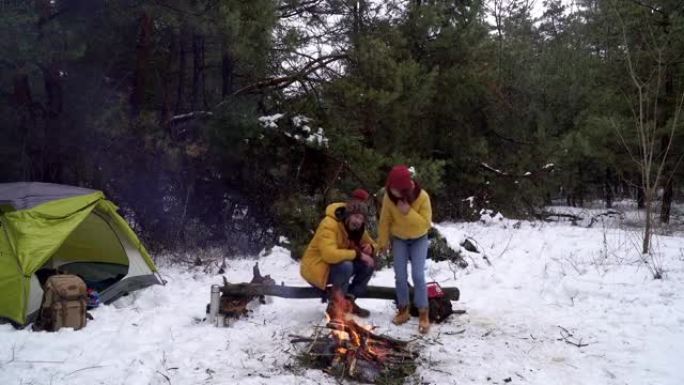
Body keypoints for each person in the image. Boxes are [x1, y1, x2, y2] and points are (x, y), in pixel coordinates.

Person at [378, 165, 433, 334]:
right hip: (400, 239)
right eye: (391, 188)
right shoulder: (388, 197)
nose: (391, 191)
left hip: (419, 239)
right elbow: (385, 220)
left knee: (418, 275)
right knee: (400, 275)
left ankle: (423, 313)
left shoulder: (422, 197)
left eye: (395, 189)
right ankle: (403, 310)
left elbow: (426, 223)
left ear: (404, 189)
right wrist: (383, 242)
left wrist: (407, 211)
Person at [300, 199, 377, 317]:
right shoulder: (329, 224)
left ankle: (348, 302)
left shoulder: (358, 230)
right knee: (346, 265)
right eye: (356, 217)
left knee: (368, 264)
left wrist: (371, 247)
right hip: (316, 269)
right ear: (348, 215)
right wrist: (359, 254)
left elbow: (376, 245)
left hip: (334, 268)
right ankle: (335, 306)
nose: (358, 221)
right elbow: (329, 255)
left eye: (361, 219)